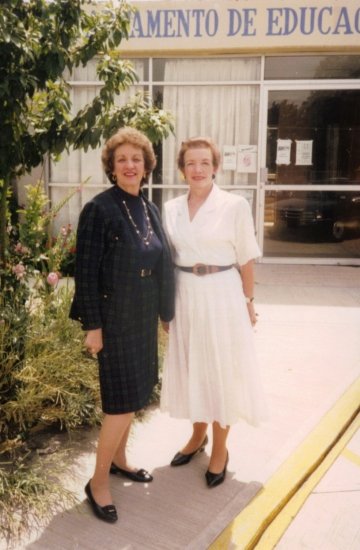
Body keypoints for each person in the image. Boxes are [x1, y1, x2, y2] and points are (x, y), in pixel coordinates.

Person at [70, 127, 174, 523]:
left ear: (147, 166)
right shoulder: (99, 209)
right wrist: (92, 326)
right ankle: (97, 481)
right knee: (118, 405)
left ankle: (121, 460)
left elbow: (162, 265)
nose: (130, 166)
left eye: (136, 159)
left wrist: (166, 314)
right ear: (112, 168)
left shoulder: (149, 209)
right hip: (113, 322)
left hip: (143, 318)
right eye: (121, 160)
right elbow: (86, 272)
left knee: (134, 396)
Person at [160, 137, 266, 488]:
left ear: (215, 167)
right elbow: (165, 259)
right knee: (193, 367)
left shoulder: (233, 205)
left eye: (205, 162)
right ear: (182, 169)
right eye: (191, 163)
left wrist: (248, 301)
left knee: (221, 370)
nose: (198, 169)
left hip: (222, 294)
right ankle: (197, 435)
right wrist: (164, 307)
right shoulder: (171, 207)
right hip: (184, 294)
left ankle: (220, 448)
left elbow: (246, 256)